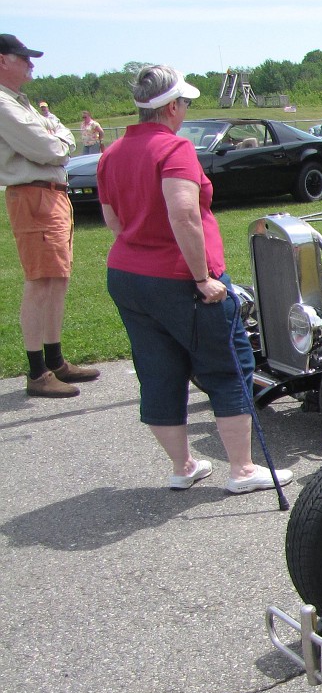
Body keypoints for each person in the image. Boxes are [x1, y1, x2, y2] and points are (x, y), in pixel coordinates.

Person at [98, 65, 289, 493]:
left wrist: (141, 244)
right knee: (228, 366)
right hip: (180, 278)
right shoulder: (174, 149)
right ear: (170, 107)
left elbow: (113, 218)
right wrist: (202, 277)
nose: (185, 110)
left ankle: (183, 466)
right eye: (183, 103)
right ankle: (241, 469)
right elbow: (183, 212)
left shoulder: (112, 152)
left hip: (128, 273)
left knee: (157, 367)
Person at [0, 33, 99, 399]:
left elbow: (58, 142)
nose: (31, 64)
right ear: (2, 60)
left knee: (57, 279)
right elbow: (50, 148)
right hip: (33, 196)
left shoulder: (19, 102)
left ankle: (55, 360)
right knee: (40, 281)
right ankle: (37, 371)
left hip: (51, 195)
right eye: (23, 58)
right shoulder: (3, 103)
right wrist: (58, 137)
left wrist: (57, 139)